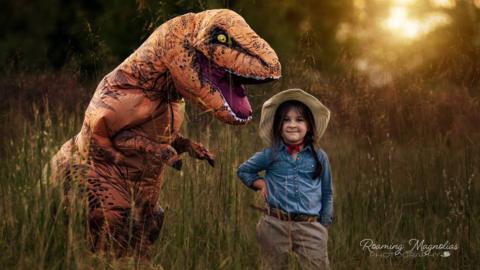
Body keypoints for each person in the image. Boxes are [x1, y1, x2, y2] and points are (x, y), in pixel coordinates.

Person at [237, 88, 333, 270]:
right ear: (278, 126)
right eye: (286, 120)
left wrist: (324, 224)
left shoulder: (320, 157)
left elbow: (327, 191)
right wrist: (260, 183)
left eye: (299, 120)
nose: (292, 125)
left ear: (309, 126)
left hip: (310, 225)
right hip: (275, 224)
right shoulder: (271, 154)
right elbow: (244, 170)